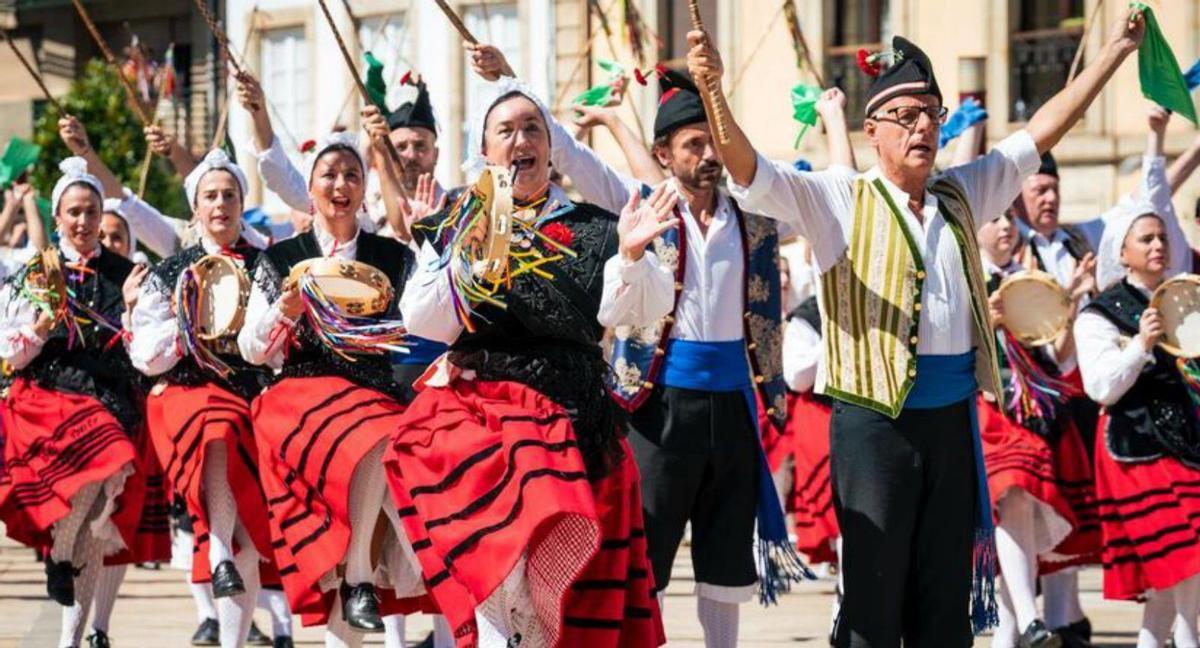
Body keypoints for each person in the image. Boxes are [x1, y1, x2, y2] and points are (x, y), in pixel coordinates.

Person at [685, 7, 1145, 645]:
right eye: (905, 115)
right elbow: (749, 170)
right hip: (874, 430)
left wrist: (1116, 52)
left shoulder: (963, 193)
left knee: (944, 595)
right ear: (872, 131)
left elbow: (1043, 129)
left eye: (930, 112)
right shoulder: (839, 198)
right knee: (874, 595)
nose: (922, 125)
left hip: (952, 421)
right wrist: (711, 91)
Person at [465, 44, 856, 646]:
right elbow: (565, 151)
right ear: (663, 155)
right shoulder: (642, 205)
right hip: (657, 405)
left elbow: (840, 195)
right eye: (693, 145)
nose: (708, 156)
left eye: (713, 144)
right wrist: (512, 78)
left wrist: (834, 122)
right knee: (645, 546)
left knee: (727, 553)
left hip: (734, 405)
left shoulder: (758, 214)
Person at [388, 75, 669, 647]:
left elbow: (645, 306)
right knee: (500, 561)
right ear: (485, 150)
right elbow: (423, 319)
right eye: (506, 131)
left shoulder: (597, 227)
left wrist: (634, 256)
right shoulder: (454, 224)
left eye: (532, 129)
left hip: (571, 411)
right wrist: (463, 260)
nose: (521, 141)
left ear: (549, 146)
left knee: (555, 584)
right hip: (483, 415)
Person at [237, 128, 418, 647]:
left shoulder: (394, 257)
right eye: (329, 175)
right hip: (302, 395)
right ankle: (360, 576)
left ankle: (360, 574)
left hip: (370, 393)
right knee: (372, 432)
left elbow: (426, 323)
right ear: (310, 188)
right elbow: (252, 348)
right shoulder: (279, 257)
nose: (341, 185)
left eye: (352, 176)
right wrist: (284, 310)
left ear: (365, 189)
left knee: (385, 433)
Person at [128, 149, 278, 648]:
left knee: (253, 536)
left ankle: (234, 628)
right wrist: (185, 331)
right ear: (195, 208)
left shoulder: (265, 267)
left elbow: (274, 345)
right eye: (210, 196)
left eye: (229, 195)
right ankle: (214, 550)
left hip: (252, 397)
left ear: (241, 203)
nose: (220, 205)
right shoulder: (169, 272)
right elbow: (148, 355)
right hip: (189, 395)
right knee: (218, 427)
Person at [0, 157, 142, 648]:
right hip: (51, 396)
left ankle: (71, 634)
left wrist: (130, 308)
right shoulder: (35, 271)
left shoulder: (127, 273)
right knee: (104, 462)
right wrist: (39, 326)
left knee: (96, 525)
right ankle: (61, 559)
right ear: (57, 217)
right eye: (73, 212)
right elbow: (12, 355)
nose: (83, 222)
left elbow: (144, 352)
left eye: (91, 211)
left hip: (109, 396)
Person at [1073, 176, 1200, 648]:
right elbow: (1101, 388)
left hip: (1184, 444)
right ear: (1121, 252)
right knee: (1186, 554)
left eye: (1162, 236)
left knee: (1174, 574)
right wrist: (1141, 345)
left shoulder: (1183, 300)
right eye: (1145, 238)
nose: (1158, 245)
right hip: (1134, 449)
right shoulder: (1098, 314)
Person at [977, 211, 1079, 648]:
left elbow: (1059, 361)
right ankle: (1026, 621)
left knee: (1019, 510)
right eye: (995, 218)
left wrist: (1068, 310)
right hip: (978, 410)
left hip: (1026, 414)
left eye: (1010, 219)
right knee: (1014, 496)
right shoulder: (964, 277)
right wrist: (989, 324)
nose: (1006, 227)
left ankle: (1017, 628)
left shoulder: (1028, 279)